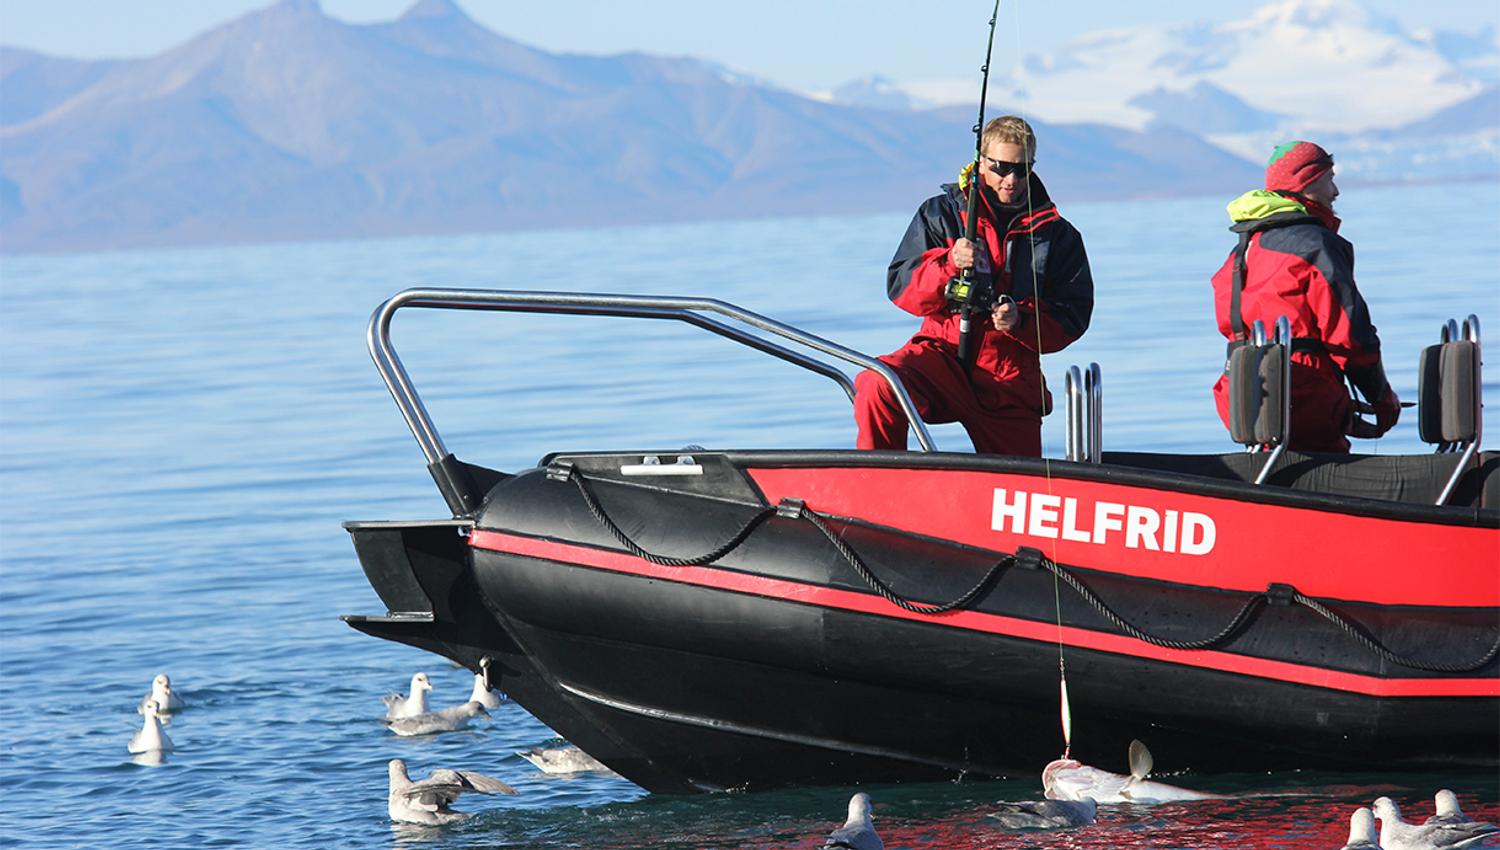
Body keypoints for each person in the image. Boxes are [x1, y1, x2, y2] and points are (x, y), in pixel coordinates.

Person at [853, 115, 1094, 455]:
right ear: (981, 162)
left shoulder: (1059, 234)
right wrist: (948, 264)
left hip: (1009, 376)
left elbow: (1073, 316)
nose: (1011, 179)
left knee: (1021, 480)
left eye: (1022, 169)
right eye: (1001, 168)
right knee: (878, 382)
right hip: (941, 354)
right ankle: (878, 479)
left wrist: (1021, 320)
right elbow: (902, 288)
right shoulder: (939, 213)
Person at [1210, 140, 1399, 453]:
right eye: (1329, 180)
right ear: (1306, 182)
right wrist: (1381, 398)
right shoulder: (1315, 245)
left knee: (1270, 464)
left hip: (1242, 395)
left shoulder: (1243, 249)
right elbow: (1351, 338)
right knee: (1322, 472)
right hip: (1305, 396)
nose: (1335, 191)